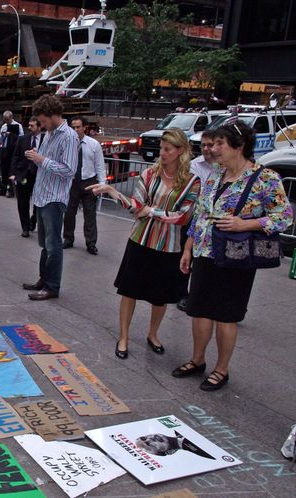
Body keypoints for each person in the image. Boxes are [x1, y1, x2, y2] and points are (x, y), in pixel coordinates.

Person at [175, 121, 293, 391]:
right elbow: (202, 213)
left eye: (220, 144)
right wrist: (188, 248)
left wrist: (246, 224)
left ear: (239, 147)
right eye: (213, 143)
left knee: (226, 316)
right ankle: (197, 360)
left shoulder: (265, 178)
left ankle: (221, 369)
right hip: (206, 251)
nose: (214, 149)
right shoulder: (216, 174)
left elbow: (284, 217)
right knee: (199, 310)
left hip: (236, 257)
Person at [87, 128, 200, 359]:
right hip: (140, 240)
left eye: (167, 149)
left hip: (169, 246)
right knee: (129, 291)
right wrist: (111, 191)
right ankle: (124, 337)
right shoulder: (149, 174)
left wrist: (151, 211)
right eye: (161, 148)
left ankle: (153, 334)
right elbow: (135, 207)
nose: (162, 153)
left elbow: (185, 216)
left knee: (160, 296)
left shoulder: (192, 181)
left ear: (180, 151)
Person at [23, 95, 79, 300]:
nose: (41, 124)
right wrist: (37, 156)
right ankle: (43, 279)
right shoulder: (49, 133)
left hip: (55, 197)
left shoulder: (69, 136)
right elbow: (45, 161)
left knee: (54, 245)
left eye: (43, 120)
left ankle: (52, 286)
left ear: (53, 115)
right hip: (42, 194)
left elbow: (69, 170)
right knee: (45, 244)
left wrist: (42, 160)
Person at [177, 129, 219, 312]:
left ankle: (205, 294)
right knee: (187, 256)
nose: (206, 149)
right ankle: (183, 294)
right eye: (203, 145)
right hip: (194, 217)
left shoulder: (225, 167)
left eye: (210, 145)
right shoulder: (194, 166)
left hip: (215, 222)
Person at [63, 116, 106, 255]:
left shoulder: (94, 144)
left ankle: (91, 243)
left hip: (89, 182)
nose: (75, 130)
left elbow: (100, 166)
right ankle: (68, 239)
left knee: (90, 215)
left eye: (78, 127)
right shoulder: (68, 144)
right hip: (73, 182)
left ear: (84, 127)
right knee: (69, 213)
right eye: (73, 127)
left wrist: (102, 185)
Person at [9, 116, 42, 237]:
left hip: (39, 175)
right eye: (29, 125)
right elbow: (15, 157)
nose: (29, 127)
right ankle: (25, 227)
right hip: (23, 174)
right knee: (22, 201)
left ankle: (34, 219)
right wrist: (13, 173)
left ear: (39, 127)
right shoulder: (22, 139)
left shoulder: (45, 140)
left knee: (39, 201)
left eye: (32, 125)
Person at [0, 110, 23, 197]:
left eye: (7, 119)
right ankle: (2, 189)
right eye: (4, 119)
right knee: (4, 170)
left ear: (11, 117)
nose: (5, 121)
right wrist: (3, 135)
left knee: (11, 170)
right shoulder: (4, 126)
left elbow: (21, 138)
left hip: (13, 150)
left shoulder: (18, 126)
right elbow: (0, 140)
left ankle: (11, 191)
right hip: (5, 149)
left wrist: (11, 134)